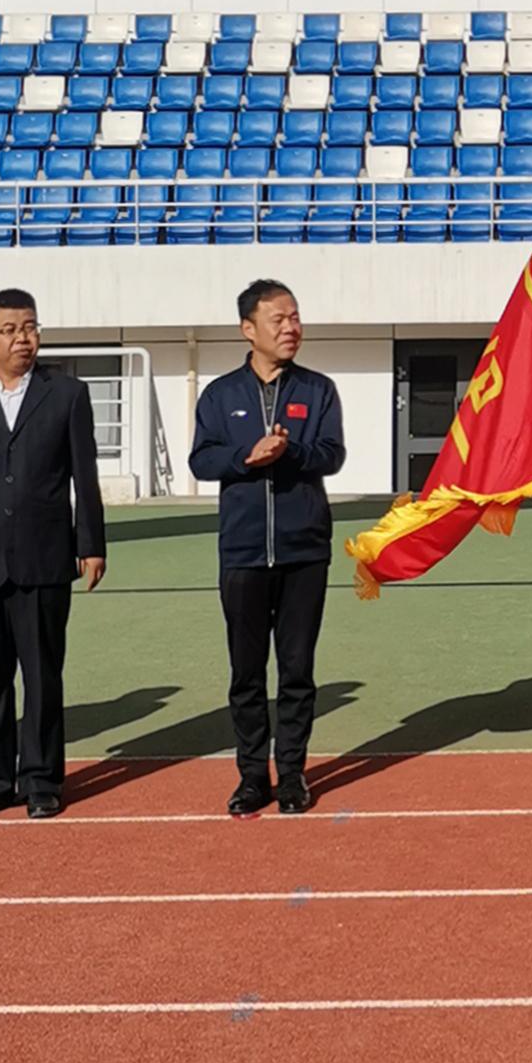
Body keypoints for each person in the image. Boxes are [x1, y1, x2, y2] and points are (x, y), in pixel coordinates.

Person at [0, 288, 108, 820]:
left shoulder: (67, 394)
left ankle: (42, 781)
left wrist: (91, 544)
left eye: (29, 327)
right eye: (9, 330)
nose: (22, 338)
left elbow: (85, 476)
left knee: (43, 676)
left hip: (45, 556)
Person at [188, 278, 345, 817]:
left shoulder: (318, 390)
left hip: (305, 552)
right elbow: (201, 460)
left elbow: (332, 454)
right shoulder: (220, 395)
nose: (291, 328)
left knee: (297, 670)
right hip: (243, 553)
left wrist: (288, 450)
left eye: (295, 317)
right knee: (247, 674)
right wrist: (245, 458)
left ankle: (293, 774)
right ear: (248, 329)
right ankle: (253, 776)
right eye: (279, 319)